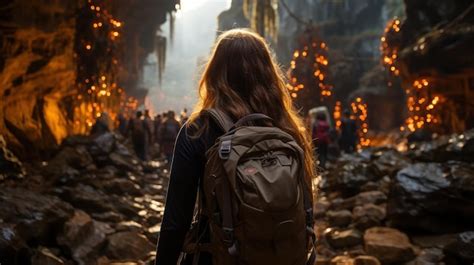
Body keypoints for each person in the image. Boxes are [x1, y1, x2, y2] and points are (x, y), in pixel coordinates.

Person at [155, 29, 316, 265]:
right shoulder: (287, 129)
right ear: (269, 73)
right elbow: (304, 211)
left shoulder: (199, 130)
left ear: (215, 73)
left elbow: (175, 223)